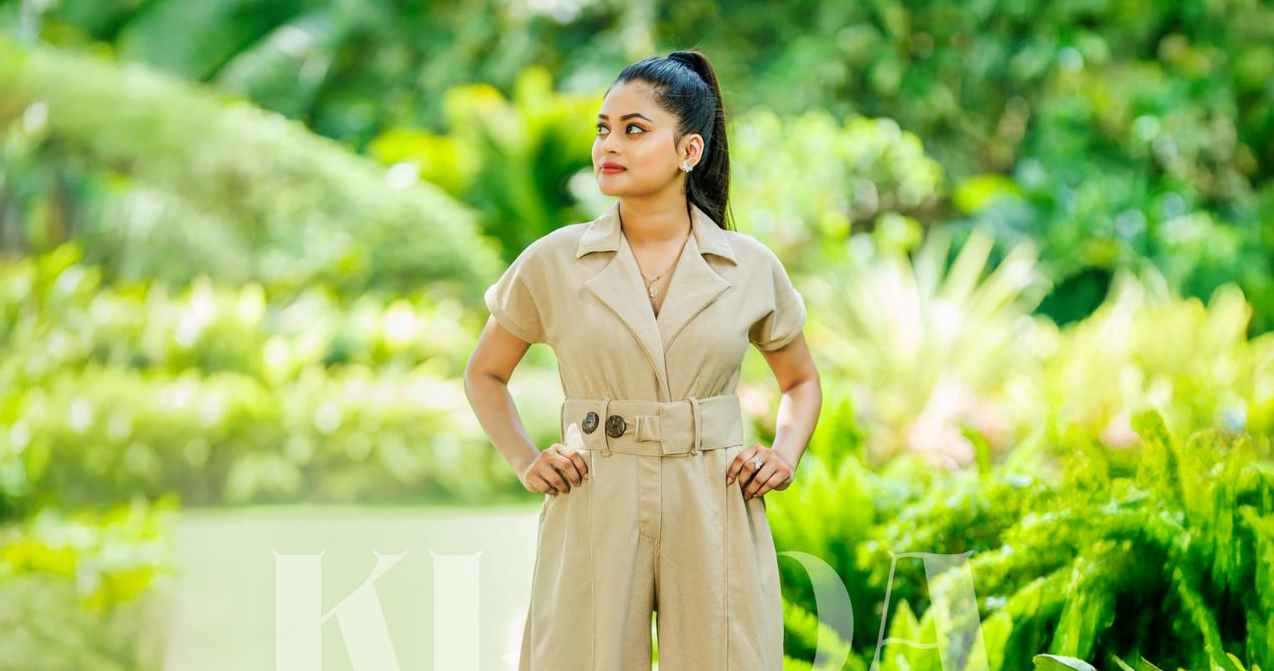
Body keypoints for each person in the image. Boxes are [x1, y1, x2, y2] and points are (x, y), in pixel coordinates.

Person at [464, 48, 821, 671]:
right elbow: (484, 374)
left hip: (713, 493)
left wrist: (783, 454)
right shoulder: (553, 260)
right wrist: (525, 461)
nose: (609, 145)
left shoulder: (749, 265)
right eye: (603, 128)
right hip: (594, 489)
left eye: (634, 129)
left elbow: (801, 381)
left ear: (689, 151)